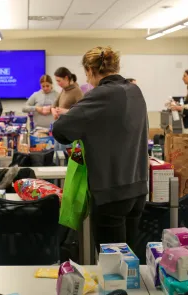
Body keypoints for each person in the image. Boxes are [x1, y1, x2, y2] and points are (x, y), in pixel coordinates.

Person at [52, 46, 149, 251]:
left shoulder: (101, 95)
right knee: (130, 262)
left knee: (112, 269)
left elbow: (61, 130)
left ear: (90, 71)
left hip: (111, 192)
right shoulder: (134, 90)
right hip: (138, 189)